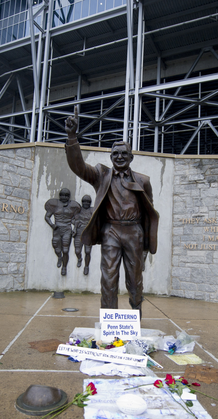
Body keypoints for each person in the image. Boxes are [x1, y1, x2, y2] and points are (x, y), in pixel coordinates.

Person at [64, 106, 159, 318]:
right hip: (111, 232)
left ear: (131, 157)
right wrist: (72, 137)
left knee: (135, 279)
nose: (119, 157)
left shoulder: (143, 181)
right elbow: (79, 167)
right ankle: (109, 320)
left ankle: (136, 315)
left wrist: (145, 243)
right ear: (110, 157)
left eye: (124, 153)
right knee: (108, 277)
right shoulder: (101, 175)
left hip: (134, 232)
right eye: (115, 153)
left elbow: (149, 212)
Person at [44, 188, 81, 276]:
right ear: (60, 195)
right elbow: (47, 217)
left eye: (66, 195)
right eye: (62, 195)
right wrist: (52, 225)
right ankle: (59, 257)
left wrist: (75, 229)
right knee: (56, 246)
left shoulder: (73, 206)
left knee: (65, 250)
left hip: (67, 229)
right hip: (57, 229)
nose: (64, 197)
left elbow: (77, 219)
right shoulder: (54, 205)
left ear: (69, 196)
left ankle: (64, 267)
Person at [73, 195, 94, 275]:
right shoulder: (78, 210)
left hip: (88, 233)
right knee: (77, 251)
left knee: (87, 251)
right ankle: (79, 258)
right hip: (79, 232)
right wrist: (75, 226)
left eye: (88, 202)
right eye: (84, 201)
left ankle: (86, 266)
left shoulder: (92, 210)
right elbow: (72, 219)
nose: (86, 203)